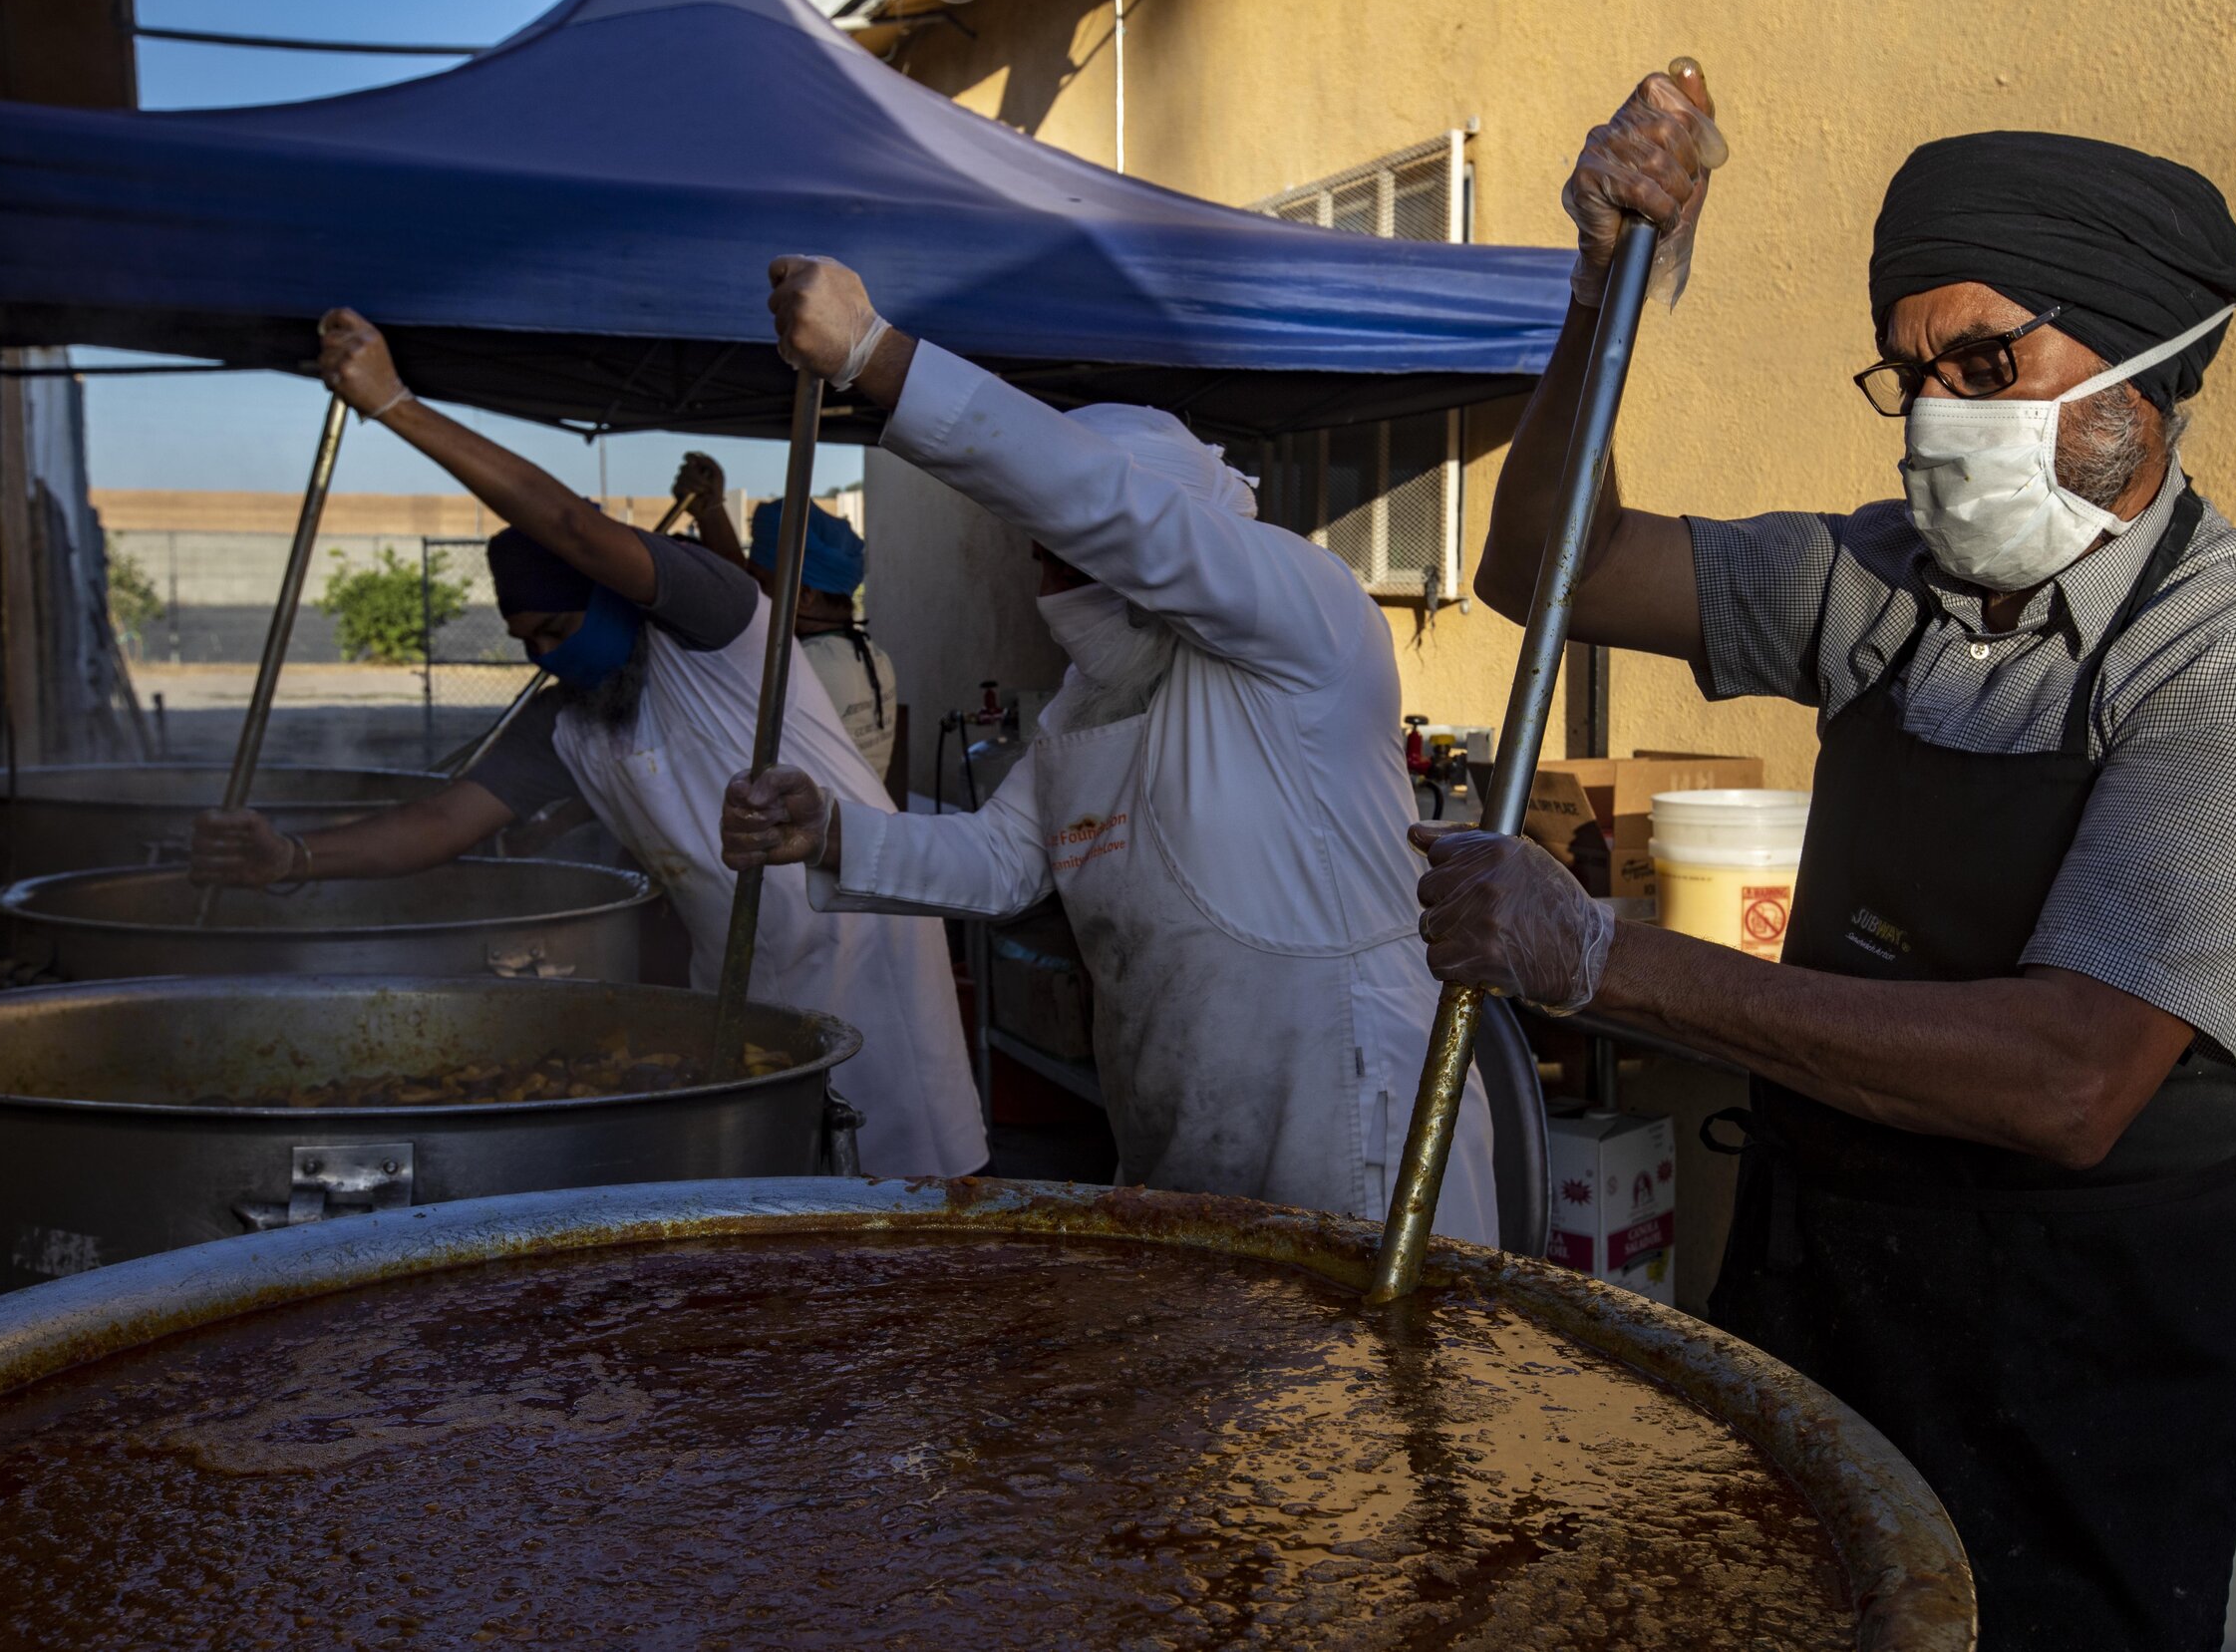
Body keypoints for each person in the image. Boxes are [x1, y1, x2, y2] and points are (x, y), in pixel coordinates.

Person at [1428, 66, 2236, 1651]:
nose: (1943, 414)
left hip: (2077, 1355)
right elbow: (1544, 568)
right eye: (1911, 374)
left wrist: (1606, 959)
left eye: (1986, 360)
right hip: (1826, 1282)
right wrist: (1603, 282)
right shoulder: (1878, 583)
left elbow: (2069, 1076)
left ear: (2150, 362)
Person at [719, 255, 1497, 1244]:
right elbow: (1004, 861)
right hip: (1176, 1118)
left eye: (1063, 551)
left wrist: (876, 357)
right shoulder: (1084, 703)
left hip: (1349, 1111)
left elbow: (1117, 512)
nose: (1045, 580)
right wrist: (828, 833)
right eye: (1038, 554)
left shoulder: (1309, 610)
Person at [189, 308, 986, 1180]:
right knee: (778, 1191)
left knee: (900, 1184)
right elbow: (440, 821)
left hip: (860, 939)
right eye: (527, 640)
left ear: (610, 594)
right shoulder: (569, 720)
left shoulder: (714, 624)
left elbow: (570, 527)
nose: (546, 654)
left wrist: (396, 406)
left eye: (558, 625)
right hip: (740, 964)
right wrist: (292, 858)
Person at [746, 501, 899, 789]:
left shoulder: (804, 669)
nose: (755, 592)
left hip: (819, 831)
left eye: (760, 581)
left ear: (804, 595)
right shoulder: (875, 657)